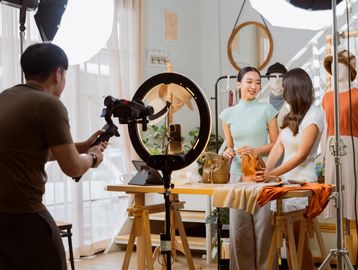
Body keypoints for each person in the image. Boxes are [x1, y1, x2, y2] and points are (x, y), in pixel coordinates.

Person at [0, 42, 107, 270]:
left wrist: (82, 146)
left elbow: (28, 153)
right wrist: (94, 157)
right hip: (24, 215)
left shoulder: (5, 97)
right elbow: (73, 168)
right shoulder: (49, 104)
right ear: (58, 73)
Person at [255, 68, 324, 270]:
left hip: (303, 182)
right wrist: (264, 172)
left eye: (285, 88)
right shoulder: (289, 114)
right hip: (286, 181)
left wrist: (272, 174)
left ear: (295, 89)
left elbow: (302, 154)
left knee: (297, 240)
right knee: (288, 240)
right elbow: (279, 146)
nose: (282, 92)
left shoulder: (315, 113)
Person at [220, 66, 279, 270]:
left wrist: (255, 150)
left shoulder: (268, 110)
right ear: (239, 85)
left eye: (257, 83)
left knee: (264, 232)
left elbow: (276, 144)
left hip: (260, 176)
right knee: (239, 232)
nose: (254, 86)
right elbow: (229, 146)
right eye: (249, 82)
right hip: (237, 177)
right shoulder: (227, 114)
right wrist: (227, 152)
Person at [322, 50, 358, 221]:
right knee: (333, 185)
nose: (335, 68)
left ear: (350, 68)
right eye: (333, 65)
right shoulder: (327, 97)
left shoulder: (357, 94)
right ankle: (340, 238)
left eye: (340, 64)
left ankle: (351, 234)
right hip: (330, 146)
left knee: (351, 185)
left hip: (352, 145)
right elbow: (325, 127)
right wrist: (322, 156)